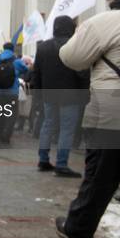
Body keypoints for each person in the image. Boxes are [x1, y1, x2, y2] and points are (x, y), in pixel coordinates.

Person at [54, 0, 120, 238]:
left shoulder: (108, 21)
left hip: (112, 116)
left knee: (99, 182)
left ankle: (78, 234)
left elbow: (70, 56)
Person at [32, 16, 89, 178]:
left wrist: (38, 95)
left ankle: (43, 159)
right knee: (67, 129)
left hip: (49, 94)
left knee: (47, 125)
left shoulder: (43, 47)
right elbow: (82, 72)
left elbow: (37, 72)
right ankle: (62, 164)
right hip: (70, 94)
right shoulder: (74, 44)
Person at [0, 42, 28, 146]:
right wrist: (17, 73)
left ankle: (1, 135)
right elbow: (26, 69)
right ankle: (6, 136)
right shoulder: (17, 61)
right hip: (12, 92)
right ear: (13, 49)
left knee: (1, 114)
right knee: (12, 115)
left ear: (3, 48)